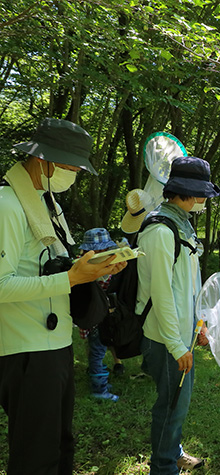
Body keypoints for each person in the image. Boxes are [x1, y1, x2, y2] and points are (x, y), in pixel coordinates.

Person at [0, 118, 126, 474]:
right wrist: (71, 278)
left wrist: (98, 267)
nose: (72, 175)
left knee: (60, 446)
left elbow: (56, 266)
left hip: (56, 344)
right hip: (26, 349)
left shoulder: (47, 205)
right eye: (71, 167)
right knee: (35, 455)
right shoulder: (8, 204)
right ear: (44, 160)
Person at [137, 156, 219, 473]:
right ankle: (164, 467)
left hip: (180, 336)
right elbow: (162, 295)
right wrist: (176, 345)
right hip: (164, 337)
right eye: (201, 194)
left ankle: (172, 451)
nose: (203, 201)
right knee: (171, 407)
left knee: (177, 404)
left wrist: (198, 326)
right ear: (184, 193)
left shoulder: (181, 225)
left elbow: (188, 288)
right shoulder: (161, 231)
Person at [78, 227, 121, 401]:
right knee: (97, 351)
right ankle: (99, 388)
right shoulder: (94, 268)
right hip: (96, 317)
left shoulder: (84, 265)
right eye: (100, 250)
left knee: (97, 350)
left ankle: (99, 380)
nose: (104, 253)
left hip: (93, 315)